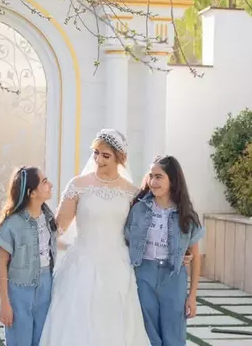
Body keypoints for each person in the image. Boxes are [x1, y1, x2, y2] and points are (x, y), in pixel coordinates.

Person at [40, 129, 151, 346]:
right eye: (96, 153)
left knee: (114, 321)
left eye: (106, 155)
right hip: (81, 263)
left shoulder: (132, 192)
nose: (99, 160)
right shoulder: (78, 185)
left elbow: (139, 232)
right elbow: (58, 227)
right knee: (76, 319)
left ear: (120, 158)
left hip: (117, 265)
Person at [126, 155, 204, 346]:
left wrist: (192, 296)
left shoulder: (186, 215)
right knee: (148, 332)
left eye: (159, 177)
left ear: (173, 180)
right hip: (144, 274)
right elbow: (125, 241)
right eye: (151, 176)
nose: (153, 181)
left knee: (174, 334)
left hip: (173, 278)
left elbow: (196, 257)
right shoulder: (138, 209)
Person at [0, 166, 58, 346]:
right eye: (44, 182)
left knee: (42, 340)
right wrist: (4, 303)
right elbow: (1, 265)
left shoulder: (49, 218)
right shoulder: (12, 224)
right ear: (32, 193)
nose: (50, 185)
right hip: (19, 292)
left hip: (46, 287)